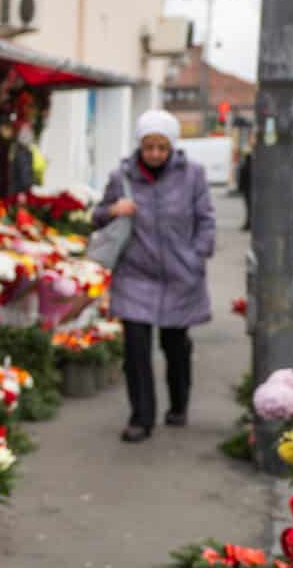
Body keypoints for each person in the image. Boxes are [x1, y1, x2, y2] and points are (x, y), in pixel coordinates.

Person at [92, 110, 215, 443]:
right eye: (149, 147)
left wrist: (197, 255)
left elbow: (206, 219)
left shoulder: (193, 175)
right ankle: (141, 418)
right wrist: (113, 210)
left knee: (175, 346)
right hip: (136, 274)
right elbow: (98, 216)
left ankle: (178, 404)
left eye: (162, 147)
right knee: (136, 348)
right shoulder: (123, 176)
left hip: (180, 274)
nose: (156, 154)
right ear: (140, 146)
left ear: (172, 146)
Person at [238, 137, 253, 231]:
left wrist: (240, 189)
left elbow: (242, 179)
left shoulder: (245, 166)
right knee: (251, 209)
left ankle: (248, 224)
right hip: (252, 190)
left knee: (249, 209)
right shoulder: (255, 165)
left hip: (248, 191)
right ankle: (249, 224)